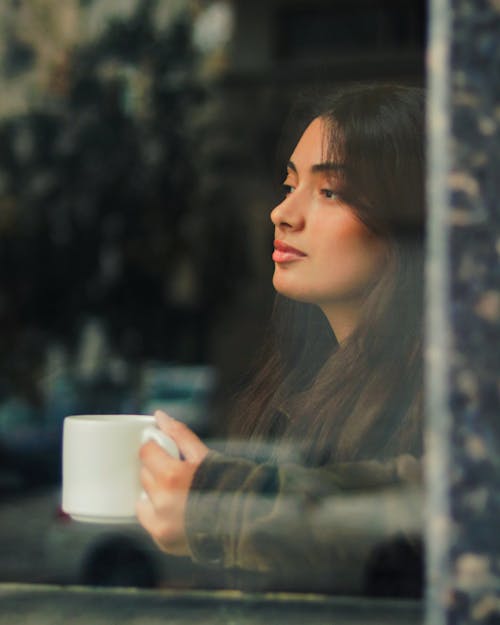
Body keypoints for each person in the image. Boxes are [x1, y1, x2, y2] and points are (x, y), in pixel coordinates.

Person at [137, 83, 425, 596]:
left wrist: (221, 507)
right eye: (289, 185)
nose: (283, 213)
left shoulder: (457, 390)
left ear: (409, 220)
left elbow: (427, 518)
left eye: (330, 191)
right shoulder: (300, 386)